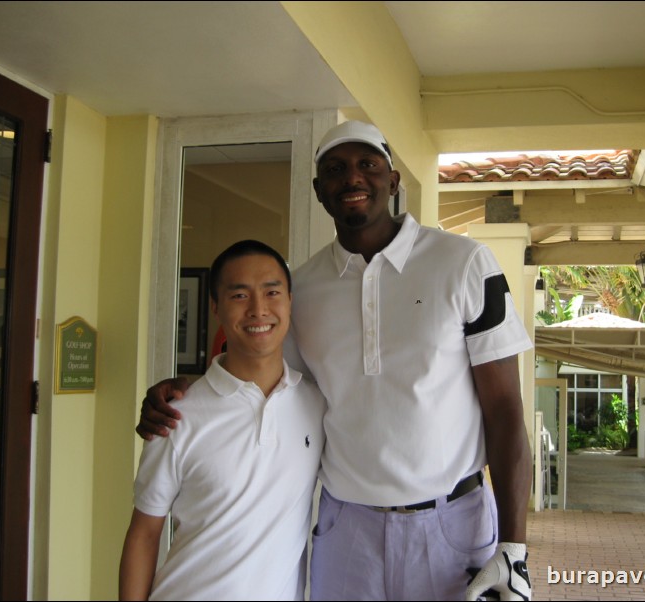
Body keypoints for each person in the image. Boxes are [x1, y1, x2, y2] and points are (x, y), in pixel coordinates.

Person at [137, 121, 534, 601]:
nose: (352, 178)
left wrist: (514, 550)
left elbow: (506, 408)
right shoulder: (301, 289)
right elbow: (261, 375)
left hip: (452, 523)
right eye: (335, 169)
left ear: (394, 180)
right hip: (346, 529)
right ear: (319, 191)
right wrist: (186, 387)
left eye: (368, 164)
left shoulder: (466, 263)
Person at [120, 240, 325, 601]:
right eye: (239, 296)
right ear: (216, 307)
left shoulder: (316, 403)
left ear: (290, 300)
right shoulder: (175, 415)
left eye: (272, 292)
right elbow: (145, 533)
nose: (259, 310)